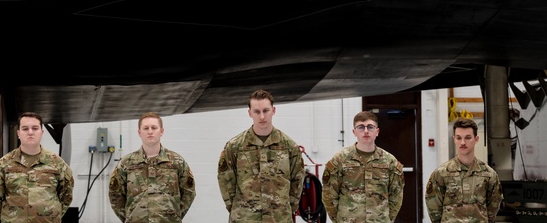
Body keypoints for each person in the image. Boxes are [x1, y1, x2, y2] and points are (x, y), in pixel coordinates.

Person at [217, 89, 305, 223]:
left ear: (273, 110)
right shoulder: (235, 147)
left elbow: (297, 181)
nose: (262, 117)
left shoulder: (289, 147)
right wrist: (239, 209)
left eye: (266, 110)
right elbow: (226, 181)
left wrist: (284, 209)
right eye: (257, 112)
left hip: (279, 219)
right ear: (250, 113)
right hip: (244, 219)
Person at [108, 112, 196, 223]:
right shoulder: (126, 163)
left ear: (161, 131)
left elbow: (189, 192)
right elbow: (115, 195)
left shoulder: (177, 161)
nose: (150, 131)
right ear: (139, 132)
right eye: (146, 128)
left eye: (154, 128)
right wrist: (130, 217)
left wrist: (174, 216)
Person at [0, 112, 74, 223]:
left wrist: (51, 216)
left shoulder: (57, 164)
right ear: (18, 133)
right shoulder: (3, 164)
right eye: (25, 129)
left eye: (35, 128)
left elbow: (66, 195)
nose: (30, 132)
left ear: (41, 133)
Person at [321, 111, 404, 223]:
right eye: (361, 127)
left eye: (370, 127)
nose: (366, 131)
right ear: (354, 132)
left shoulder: (390, 162)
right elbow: (329, 195)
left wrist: (386, 219)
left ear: (377, 131)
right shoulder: (340, 160)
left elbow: (396, 195)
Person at [425, 118, 503, 223]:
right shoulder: (441, 174)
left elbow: (493, 206)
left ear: (476, 139)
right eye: (458, 138)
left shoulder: (489, 175)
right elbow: (433, 207)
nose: (462, 142)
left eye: (468, 138)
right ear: (454, 139)